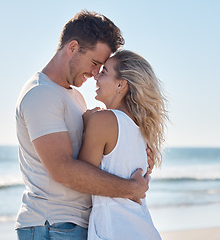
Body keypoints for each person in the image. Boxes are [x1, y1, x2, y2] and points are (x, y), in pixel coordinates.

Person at [15, 10, 152, 240]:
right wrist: (131, 188)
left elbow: (93, 158)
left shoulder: (74, 96)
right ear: (72, 48)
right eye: (95, 62)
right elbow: (63, 170)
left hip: (73, 225)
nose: (96, 73)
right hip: (51, 225)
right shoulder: (41, 94)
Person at [78, 50, 168, 240]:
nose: (96, 76)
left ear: (121, 84)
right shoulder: (142, 128)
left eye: (104, 72)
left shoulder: (102, 120)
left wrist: (86, 123)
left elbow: (81, 179)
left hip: (116, 232)